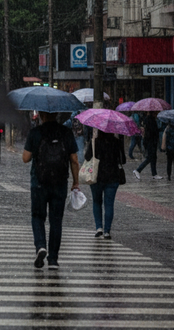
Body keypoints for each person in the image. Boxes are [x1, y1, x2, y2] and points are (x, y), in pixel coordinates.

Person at [22, 111, 80, 270]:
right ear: (57, 114)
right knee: (56, 221)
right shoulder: (66, 133)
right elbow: (74, 160)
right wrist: (75, 182)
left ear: (41, 114)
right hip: (60, 183)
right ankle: (53, 259)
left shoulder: (35, 133)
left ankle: (41, 246)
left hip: (39, 182)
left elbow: (25, 158)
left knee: (37, 216)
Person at [85, 131, 126, 239]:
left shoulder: (95, 142)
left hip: (97, 177)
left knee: (96, 202)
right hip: (112, 177)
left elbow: (87, 157)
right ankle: (107, 231)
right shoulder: (116, 142)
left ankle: (99, 228)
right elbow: (123, 160)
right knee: (109, 204)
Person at [134, 112, 162, 180]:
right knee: (150, 157)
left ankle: (154, 173)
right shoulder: (150, 120)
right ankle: (138, 170)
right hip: (151, 142)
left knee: (153, 158)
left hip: (151, 142)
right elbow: (152, 131)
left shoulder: (149, 119)